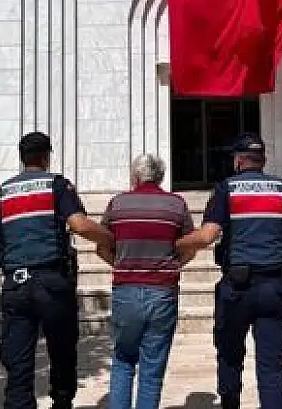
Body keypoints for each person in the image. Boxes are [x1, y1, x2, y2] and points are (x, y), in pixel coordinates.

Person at [176, 133, 282, 409]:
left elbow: (207, 237)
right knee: (271, 368)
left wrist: (178, 243)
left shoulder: (226, 189)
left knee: (230, 357)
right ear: (262, 160)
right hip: (275, 287)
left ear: (239, 161)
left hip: (237, 288)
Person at [0, 131, 114, 409]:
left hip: (16, 286)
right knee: (62, 352)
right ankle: (61, 402)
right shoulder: (57, 186)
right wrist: (111, 239)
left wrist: (9, 265)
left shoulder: (0, 193)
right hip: (52, 283)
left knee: (18, 362)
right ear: (46, 157)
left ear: (21, 158)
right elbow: (79, 225)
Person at [98, 154, 195, 409]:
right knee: (152, 369)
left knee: (123, 360)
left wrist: (121, 266)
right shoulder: (177, 204)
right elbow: (191, 246)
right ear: (161, 176)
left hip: (126, 292)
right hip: (162, 292)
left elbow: (102, 246)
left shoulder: (117, 204)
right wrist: (171, 267)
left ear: (135, 176)